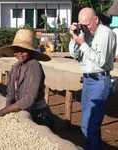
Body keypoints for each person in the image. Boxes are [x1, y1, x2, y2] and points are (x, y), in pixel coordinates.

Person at [69, 7, 116, 150]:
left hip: (99, 81)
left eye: (87, 24)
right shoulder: (86, 33)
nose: (85, 27)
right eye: (82, 24)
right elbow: (75, 55)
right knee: (86, 124)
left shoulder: (105, 33)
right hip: (88, 81)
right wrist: (74, 38)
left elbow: (101, 61)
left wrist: (83, 43)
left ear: (96, 19)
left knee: (91, 125)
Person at [0, 29, 53, 129]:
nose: (20, 53)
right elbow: (11, 93)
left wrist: (3, 111)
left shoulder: (34, 66)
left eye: (24, 50)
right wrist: (6, 109)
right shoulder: (16, 67)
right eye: (17, 50)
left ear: (30, 51)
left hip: (38, 114)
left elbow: (30, 98)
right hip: (23, 109)